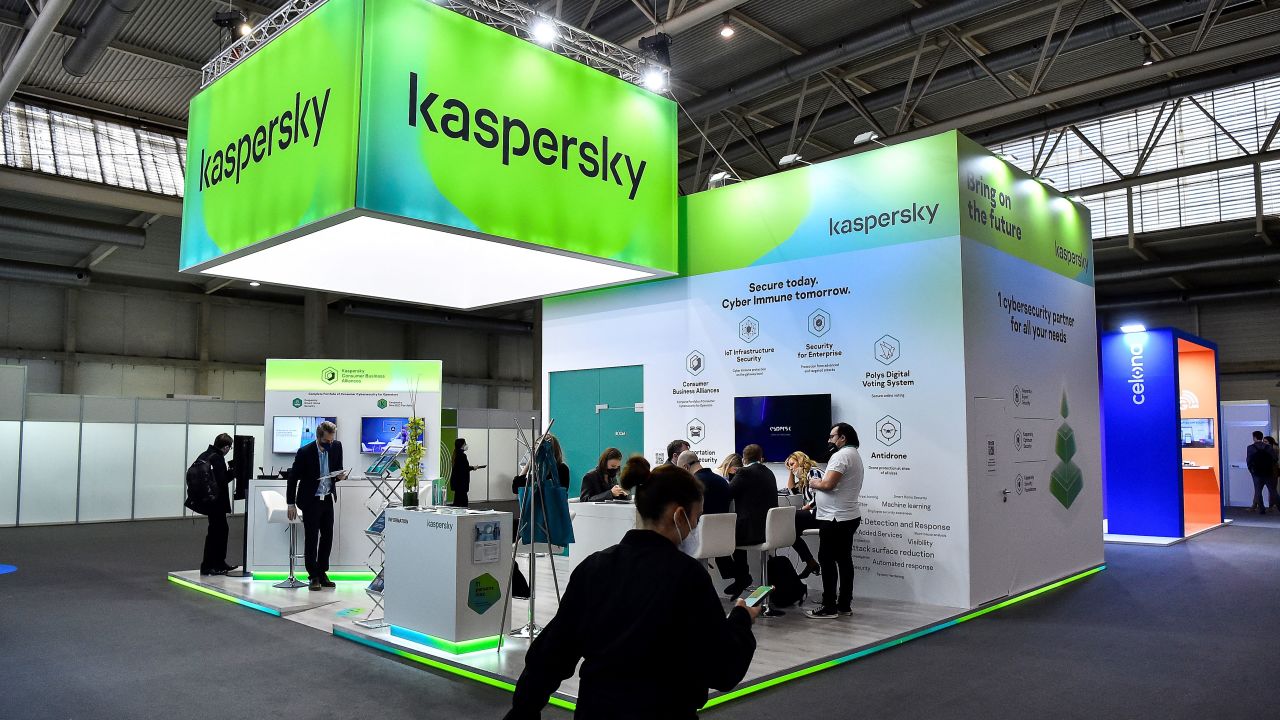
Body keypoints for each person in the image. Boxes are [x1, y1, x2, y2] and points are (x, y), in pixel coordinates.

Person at [505, 458, 759, 720]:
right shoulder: (688, 577)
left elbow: (553, 652)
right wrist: (740, 620)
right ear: (679, 514)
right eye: (695, 519)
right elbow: (722, 669)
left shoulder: (594, 567)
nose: (694, 527)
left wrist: (523, 709)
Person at [805, 423, 865, 619]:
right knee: (844, 560)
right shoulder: (853, 455)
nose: (829, 440)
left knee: (828, 560)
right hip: (847, 516)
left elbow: (829, 484)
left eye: (832, 436)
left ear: (842, 438)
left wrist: (814, 483)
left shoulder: (840, 456)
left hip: (835, 518)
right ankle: (844, 604)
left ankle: (829, 605)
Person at [287, 421, 349, 590]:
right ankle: (313, 575)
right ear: (318, 437)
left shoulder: (336, 447)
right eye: (326, 441)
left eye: (331, 440)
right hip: (310, 500)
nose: (330, 443)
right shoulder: (305, 452)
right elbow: (293, 478)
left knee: (327, 537)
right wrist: (290, 503)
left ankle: (322, 572)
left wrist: (340, 477)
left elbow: (337, 471)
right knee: (312, 537)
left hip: (327, 498)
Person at [510, 434, 571, 599]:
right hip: (530, 520)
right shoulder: (534, 469)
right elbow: (516, 487)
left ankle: (519, 588)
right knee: (500, 530)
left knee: (504, 530)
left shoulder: (561, 469)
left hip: (545, 524)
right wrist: (530, 463)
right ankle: (519, 586)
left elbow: (555, 492)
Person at [724, 444, 778, 597]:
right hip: (770, 531)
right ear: (761, 457)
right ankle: (744, 578)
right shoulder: (769, 472)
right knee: (734, 534)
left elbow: (728, 493)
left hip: (752, 533)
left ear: (744, 458)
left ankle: (742, 577)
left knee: (725, 539)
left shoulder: (744, 472)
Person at [677, 450, 736, 581]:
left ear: (686, 467)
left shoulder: (692, 485)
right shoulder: (722, 482)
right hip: (722, 540)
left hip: (699, 540)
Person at [199, 433, 237, 576]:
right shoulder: (217, 458)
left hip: (209, 501)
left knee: (216, 531)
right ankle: (211, 565)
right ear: (226, 447)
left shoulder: (206, 454)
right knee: (218, 532)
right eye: (230, 447)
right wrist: (233, 472)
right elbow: (221, 480)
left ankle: (217, 563)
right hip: (217, 502)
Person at [785, 451, 823, 580]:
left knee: (790, 518)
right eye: (789, 466)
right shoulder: (804, 478)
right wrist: (791, 471)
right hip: (814, 513)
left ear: (800, 461)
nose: (791, 467)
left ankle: (810, 562)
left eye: (792, 464)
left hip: (822, 513)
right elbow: (791, 490)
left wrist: (804, 508)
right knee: (790, 533)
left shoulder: (814, 472)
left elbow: (819, 497)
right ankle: (810, 562)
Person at [1246, 431, 1280, 513]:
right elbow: (1275, 458)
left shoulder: (1250, 447)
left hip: (1256, 473)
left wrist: (1251, 470)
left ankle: (1261, 509)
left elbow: (1249, 460)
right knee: (1273, 491)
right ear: (1261, 437)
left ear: (1254, 437)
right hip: (1268, 472)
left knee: (1258, 490)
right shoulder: (1268, 447)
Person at [449, 437, 487, 508]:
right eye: (465, 443)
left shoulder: (456, 454)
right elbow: (464, 468)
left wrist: (472, 467)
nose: (466, 445)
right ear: (462, 445)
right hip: (461, 483)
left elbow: (461, 468)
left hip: (457, 483)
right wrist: (473, 467)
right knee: (463, 504)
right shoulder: (462, 455)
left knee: (457, 502)